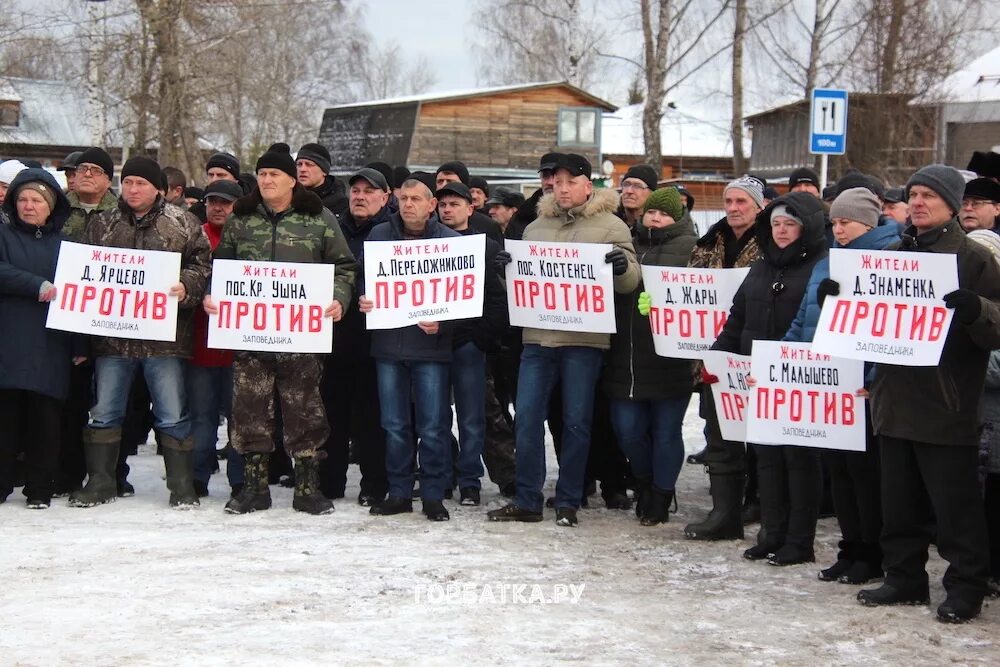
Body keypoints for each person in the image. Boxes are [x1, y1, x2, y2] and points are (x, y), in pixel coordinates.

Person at [848, 164, 1000, 623]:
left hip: (945, 403)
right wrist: (843, 298)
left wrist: (976, 309)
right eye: (913, 194)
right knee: (900, 503)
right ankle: (905, 576)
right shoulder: (893, 254)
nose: (917, 202)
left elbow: (997, 326)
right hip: (894, 401)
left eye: (929, 195)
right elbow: (863, 321)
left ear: (952, 205)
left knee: (955, 508)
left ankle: (965, 585)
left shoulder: (973, 259)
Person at [488, 153, 640, 527]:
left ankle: (569, 500)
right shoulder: (536, 226)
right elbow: (526, 285)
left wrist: (621, 269)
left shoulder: (611, 226)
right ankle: (527, 498)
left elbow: (631, 280)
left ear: (589, 185)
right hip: (538, 339)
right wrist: (507, 271)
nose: (563, 188)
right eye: (557, 182)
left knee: (575, 421)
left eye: (571, 182)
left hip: (584, 340)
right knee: (526, 419)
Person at [208, 145, 358, 515]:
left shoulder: (317, 217)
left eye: (275, 174)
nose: (267, 180)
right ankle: (254, 489)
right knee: (249, 412)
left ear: (292, 180)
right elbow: (221, 267)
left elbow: (344, 266)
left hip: (301, 339)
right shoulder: (241, 220)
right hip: (251, 338)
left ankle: (308, 489)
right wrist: (213, 295)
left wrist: (339, 298)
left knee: (305, 413)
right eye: (262, 174)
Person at [71, 156, 212, 509]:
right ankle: (101, 482)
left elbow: (202, 265)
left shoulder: (182, 222)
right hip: (112, 339)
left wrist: (186, 286)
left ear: (158, 189)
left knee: (172, 412)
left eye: (141, 184)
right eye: (129, 182)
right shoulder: (103, 224)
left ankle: (181, 488)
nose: (133, 189)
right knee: (104, 410)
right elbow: (83, 270)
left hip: (165, 340)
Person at [783, 187, 900, 584]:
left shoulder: (890, 257)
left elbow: (890, 330)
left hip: (864, 389)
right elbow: (803, 322)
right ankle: (850, 549)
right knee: (840, 473)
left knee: (865, 475)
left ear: (867, 223)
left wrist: (873, 378)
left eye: (845, 222)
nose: (839, 230)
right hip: (828, 385)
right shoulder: (827, 263)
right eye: (834, 222)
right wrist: (780, 361)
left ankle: (872, 553)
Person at [710, 191, 829, 565]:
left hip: (798, 381)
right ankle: (770, 534)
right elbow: (737, 318)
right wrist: (718, 355)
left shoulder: (821, 268)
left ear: (806, 227)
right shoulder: (761, 267)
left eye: (790, 223)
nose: (781, 230)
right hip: (757, 378)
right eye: (776, 223)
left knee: (799, 462)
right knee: (766, 460)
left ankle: (799, 541)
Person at [359, 178, 460, 522]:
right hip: (388, 345)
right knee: (393, 424)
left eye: (417, 198)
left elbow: (466, 302)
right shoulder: (379, 236)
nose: (409, 204)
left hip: (431, 348)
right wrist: (364, 298)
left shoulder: (452, 243)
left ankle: (433, 494)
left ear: (432, 205)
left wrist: (444, 325)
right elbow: (364, 280)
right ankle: (399, 491)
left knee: (433, 425)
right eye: (404, 198)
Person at [683, 175, 764, 541]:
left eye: (741, 202)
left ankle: (759, 501)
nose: (733, 208)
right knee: (720, 434)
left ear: (759, 206)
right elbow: (689, 288)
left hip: (756, 353)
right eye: (729, 201)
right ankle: (724, 510)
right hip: (715, 354)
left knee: (759, 438)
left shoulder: (771, 242)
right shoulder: (709, 241)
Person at [609, 187, 696, 525]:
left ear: (677, 218)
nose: (655, 218)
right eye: (651, 213)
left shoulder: (691, 248)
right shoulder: (627, 244)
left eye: (664, 214)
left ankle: (660, 494)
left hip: (670, 361)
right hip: (625, 357)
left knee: (666, 432)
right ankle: (644, 482)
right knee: (628, 431)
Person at [0, 169, 80, 508]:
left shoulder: (68, 247)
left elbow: (82, 296)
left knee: (45, 420)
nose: (28, 206)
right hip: (9, 340)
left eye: (36, 200)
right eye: (22, 199)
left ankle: (39, 488)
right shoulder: (2, 235)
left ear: (51, 206)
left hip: (52, 343)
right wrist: (37, 286)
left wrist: (80, 345)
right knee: (5, 419)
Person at [319, 168, 392, 506]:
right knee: (332, 414)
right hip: (335, 335)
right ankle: (330, 482)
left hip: (378, 340)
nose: (360, 196)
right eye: (356, 190)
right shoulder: (333, 227)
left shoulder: (393, 232)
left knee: (371, 418)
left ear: (385, 197)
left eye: (369, 191)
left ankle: (374, 485)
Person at [435, 181, 510, 505]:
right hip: (433, 344)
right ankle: (440, 477)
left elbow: (497, 299)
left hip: (468, 344)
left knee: (471, 418)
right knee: (434, 418)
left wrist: (481, 338)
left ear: (470, 208)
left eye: (455, 204)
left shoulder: (487, 246)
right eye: (443, 204)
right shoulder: (428, 243)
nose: (448, 209)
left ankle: (470, 481)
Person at [186, 180, 244, 499]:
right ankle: (198, 476)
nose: (218, 208)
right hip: (201, 345)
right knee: (201, 417)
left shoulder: (249, 238)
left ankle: (239, 479)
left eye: (226, 202)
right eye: (212, 202)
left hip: (238, 349)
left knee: (240, 418)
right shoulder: (194, 236)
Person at [296, 142, 348, 218]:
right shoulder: (288, 198)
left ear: (324, 171)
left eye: (309, 164)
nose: (302, 169)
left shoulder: (339, 204)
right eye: (299, 164)